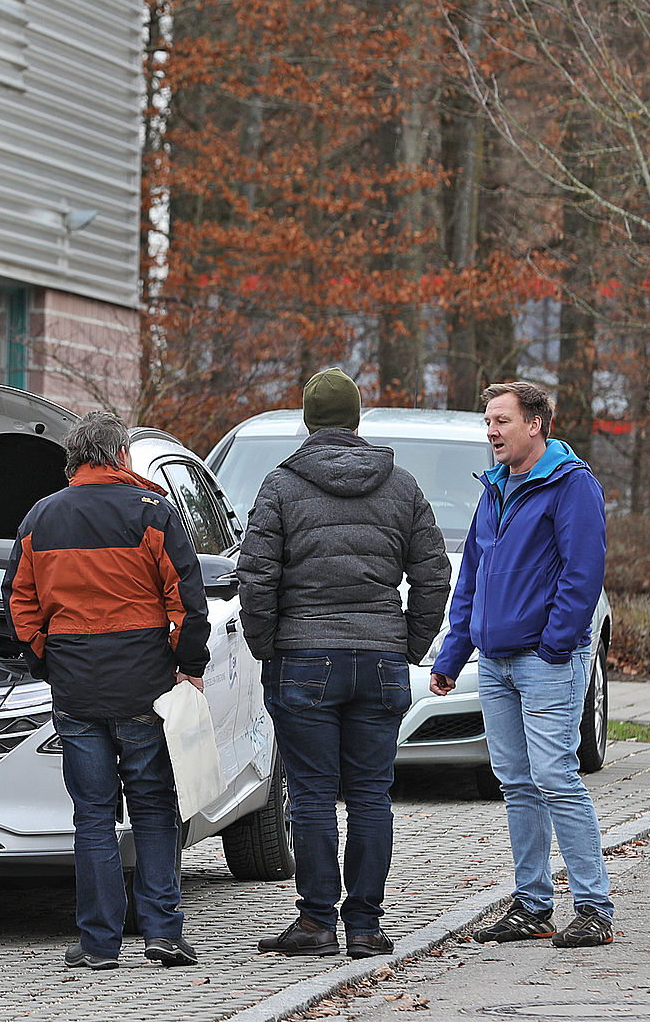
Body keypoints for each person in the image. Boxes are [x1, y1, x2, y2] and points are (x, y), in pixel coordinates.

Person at [236, 367, 451, 959]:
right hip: (380, 658)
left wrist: (267, 645)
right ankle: (364, 925)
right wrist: (408, 643)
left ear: (308, 421)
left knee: (309, 795)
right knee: (370, 795)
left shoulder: (281, 486)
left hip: (303, 657)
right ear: (358, 421)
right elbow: (434, 575)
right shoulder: (401, 486)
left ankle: (315, 923)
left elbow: (256, 578)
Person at [2, 410, 209, 971]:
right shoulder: (152, 513)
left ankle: (98, 943)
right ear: (121, 457)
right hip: (144, 688)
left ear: (74, 460)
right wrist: (187, 663)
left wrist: (45, 656)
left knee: (92, 816)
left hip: (76, 691)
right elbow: (188, 602)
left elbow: (19, 603)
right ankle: (163, 932)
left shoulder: (39, 520)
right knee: (154, 810)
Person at [431, 380, 613, 948]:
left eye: (502, 421)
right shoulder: (493, 488)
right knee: (514, 781)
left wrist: (557, 645)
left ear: (536, 424)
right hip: (494, 661)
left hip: (545, 659)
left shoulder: (570, 484)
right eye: (488, 422)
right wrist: (453, 652)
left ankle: (594, 907)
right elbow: (474, 581)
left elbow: (583, 575)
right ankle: (533, 905)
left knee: (555, 776)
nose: (492, 432)